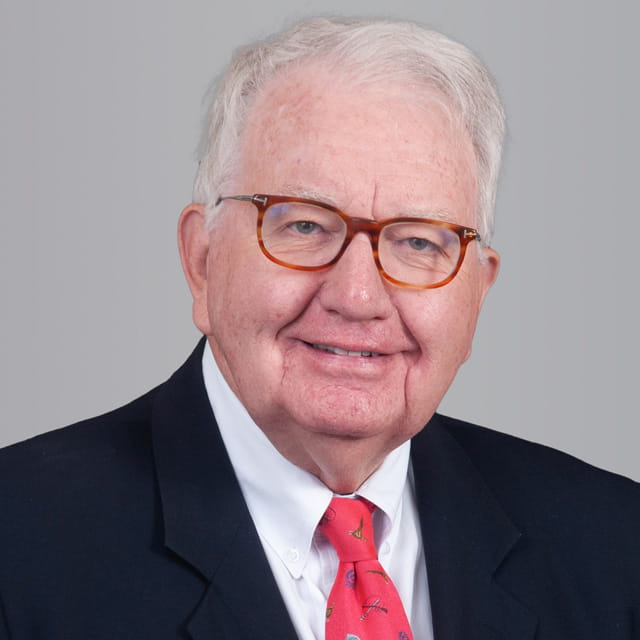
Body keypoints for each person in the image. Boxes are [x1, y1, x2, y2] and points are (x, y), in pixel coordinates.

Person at [0, 16, 638, 640]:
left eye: (419, 242)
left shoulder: (614, 544)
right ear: (202, 261)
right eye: (304, 225)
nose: (358, 297)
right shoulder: (20, 543)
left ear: (477, 292)